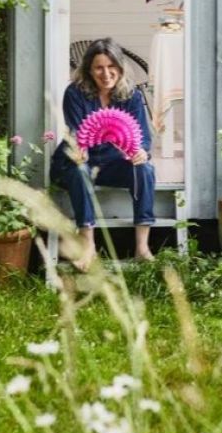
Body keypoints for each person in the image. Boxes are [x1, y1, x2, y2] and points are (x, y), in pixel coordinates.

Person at [50, 37, 156, 270]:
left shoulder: (131, 95)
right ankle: (88, 246)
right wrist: (79, 151)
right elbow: (75, 134)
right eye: (99, 67)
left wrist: (141, 152)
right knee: (79, 169)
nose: (106, 74)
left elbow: (143, 137)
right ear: (89, 69)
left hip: (114, 164)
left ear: (120, 67)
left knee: (145, 169)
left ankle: (142, 247)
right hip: (77, 163)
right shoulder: (75, 93)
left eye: (111, 66)